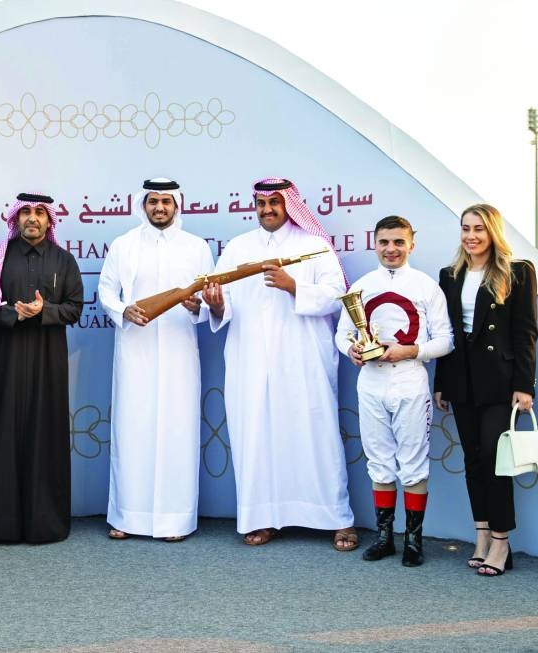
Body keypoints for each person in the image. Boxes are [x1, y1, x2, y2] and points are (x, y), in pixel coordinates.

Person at [202, 177, 357, 551]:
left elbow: (339, 298)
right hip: (250, 358)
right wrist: (217, 304)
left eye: (275, 202)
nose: (268, 209)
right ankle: (263, 518)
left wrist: (293, 286)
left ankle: (337, 518)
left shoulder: (314, 245)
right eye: (262, 203)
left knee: (314, 433)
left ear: (290, 204)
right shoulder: (239, 247)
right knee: (255, 435)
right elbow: (226, 301)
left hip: (302, 359)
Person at [98, 178, 213, 542]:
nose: (159, 207)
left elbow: (209, 297)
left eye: (166, 201)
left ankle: (174, 522)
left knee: (176, 431)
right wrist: (123, 310)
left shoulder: (196, 247)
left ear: (177, 205)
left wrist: (199, 307)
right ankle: (127, 517)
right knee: (133, 430)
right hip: (136, 351)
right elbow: (105, 290)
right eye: (153, 201)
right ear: (143, 205)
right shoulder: (124, 245)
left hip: (180, 351)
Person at [336, 216, 453, 566]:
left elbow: (446, 340)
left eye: (398, 242)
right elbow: (343, 334)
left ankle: (413, 541)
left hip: (409, 380)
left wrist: (411, 351)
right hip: (371, 382)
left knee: (414, 463)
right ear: (375, 243)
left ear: (411, 244)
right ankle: (385, 537)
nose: (391, 249)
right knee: (379, 461)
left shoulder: (426, 286)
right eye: (385, 242)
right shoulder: (362, 285)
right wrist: (351, 350)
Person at [0, 192, 84, 543]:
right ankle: (1, 526)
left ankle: (44, 525)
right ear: (15, 218)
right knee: (4, 434)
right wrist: (13, 314)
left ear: (50, 220)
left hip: (49, 364)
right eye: (26, 213)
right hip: (8, 360)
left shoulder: (64, 260)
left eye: (39, 213)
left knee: (45, 435)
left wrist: (44, 311)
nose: (32, 218)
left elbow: (75, 308)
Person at [434, 203, 537, 576]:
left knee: (496, 459)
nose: (471, 236)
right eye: (465, 228)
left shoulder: (518, 272)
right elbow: (447, 333)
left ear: (492, 232)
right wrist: (442, 382)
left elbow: (526, 331)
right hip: (462, 379)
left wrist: (524, 385)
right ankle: (481, 536)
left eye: (479, 229)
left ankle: (501, 541)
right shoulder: (450, 274)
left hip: (499, 380)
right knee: (472, 460)